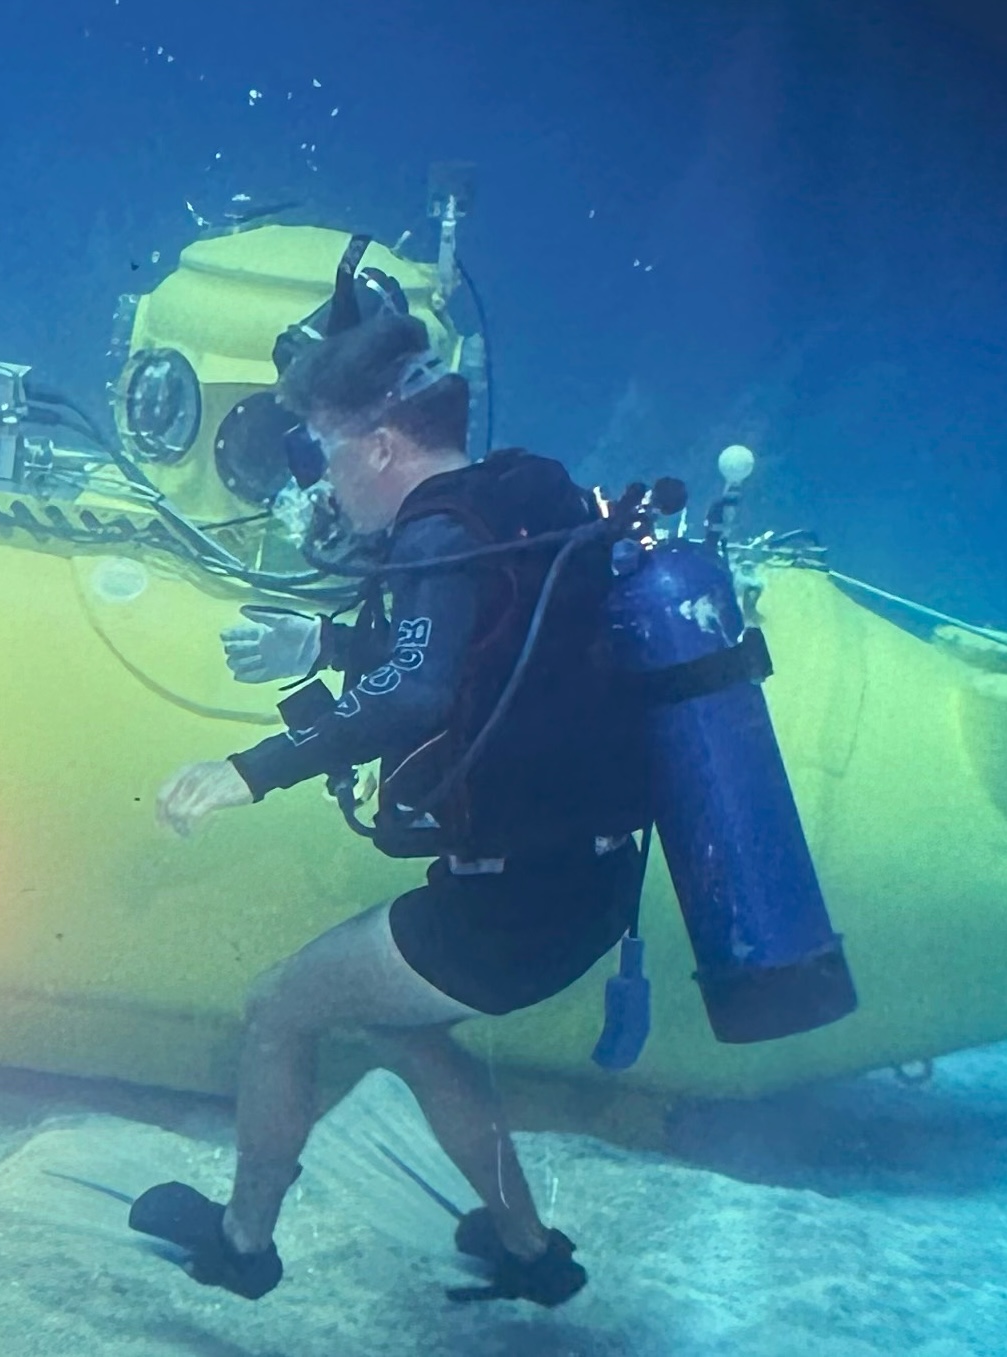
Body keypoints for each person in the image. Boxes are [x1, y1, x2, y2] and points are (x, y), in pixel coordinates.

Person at [130, 303, 648, 1307]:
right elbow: (475, 656)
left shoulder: (432, 538)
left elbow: (417, 692)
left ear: (377, 443)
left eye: (322, 447)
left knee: (278, 1006)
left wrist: (253, 767)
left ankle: (242, 1244)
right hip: (587, 883)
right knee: (405, 1030)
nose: (320, 474)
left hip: (507, 909)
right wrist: (321, 648)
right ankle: (528, 1250)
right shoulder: (513, 504)